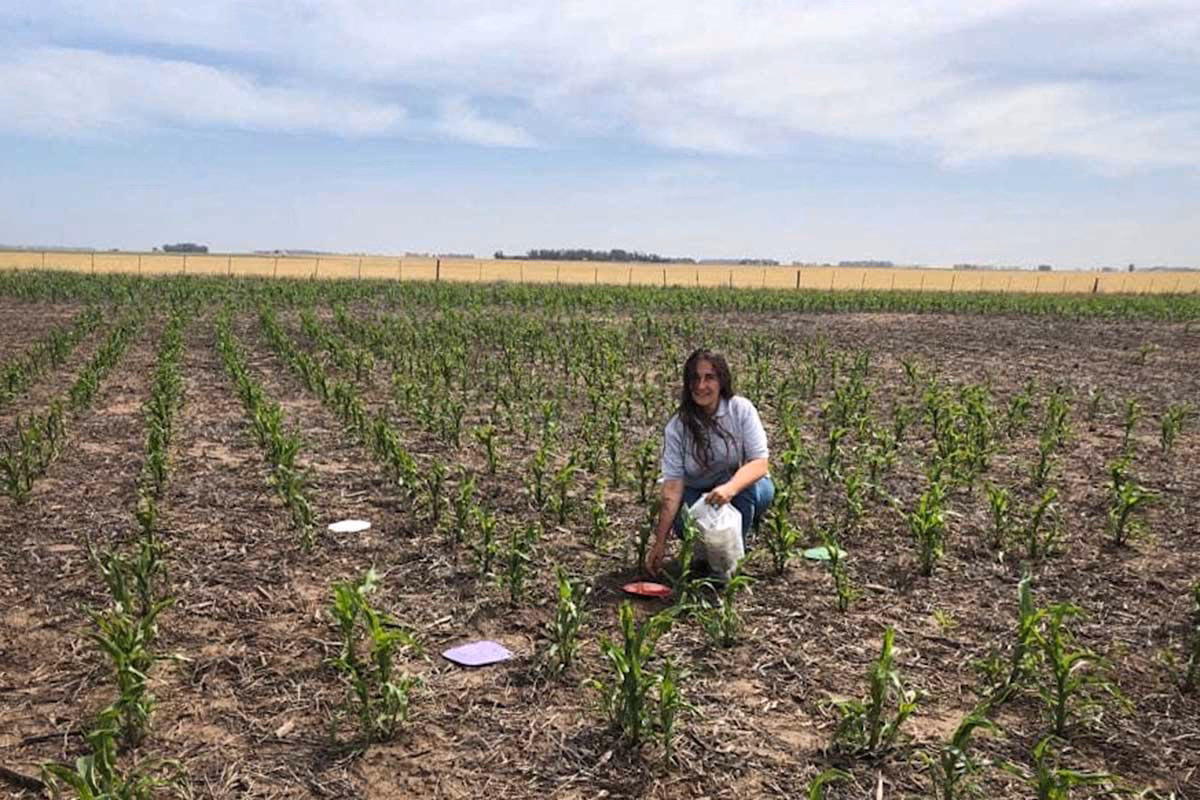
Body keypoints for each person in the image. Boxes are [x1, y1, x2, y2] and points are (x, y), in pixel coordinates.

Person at [644, 347, 775, 577]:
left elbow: (759, 463)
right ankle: (706, 554)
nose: (701, 385)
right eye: (695, 378)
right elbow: (672, 489)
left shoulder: (740, 410)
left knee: (746, 491)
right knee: (688, 525)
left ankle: (728, 565)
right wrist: (660, 542)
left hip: (736, 488)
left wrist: (729, 488)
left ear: (721, 381)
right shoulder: (678, 426)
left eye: (709, 377)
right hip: (697, 493)